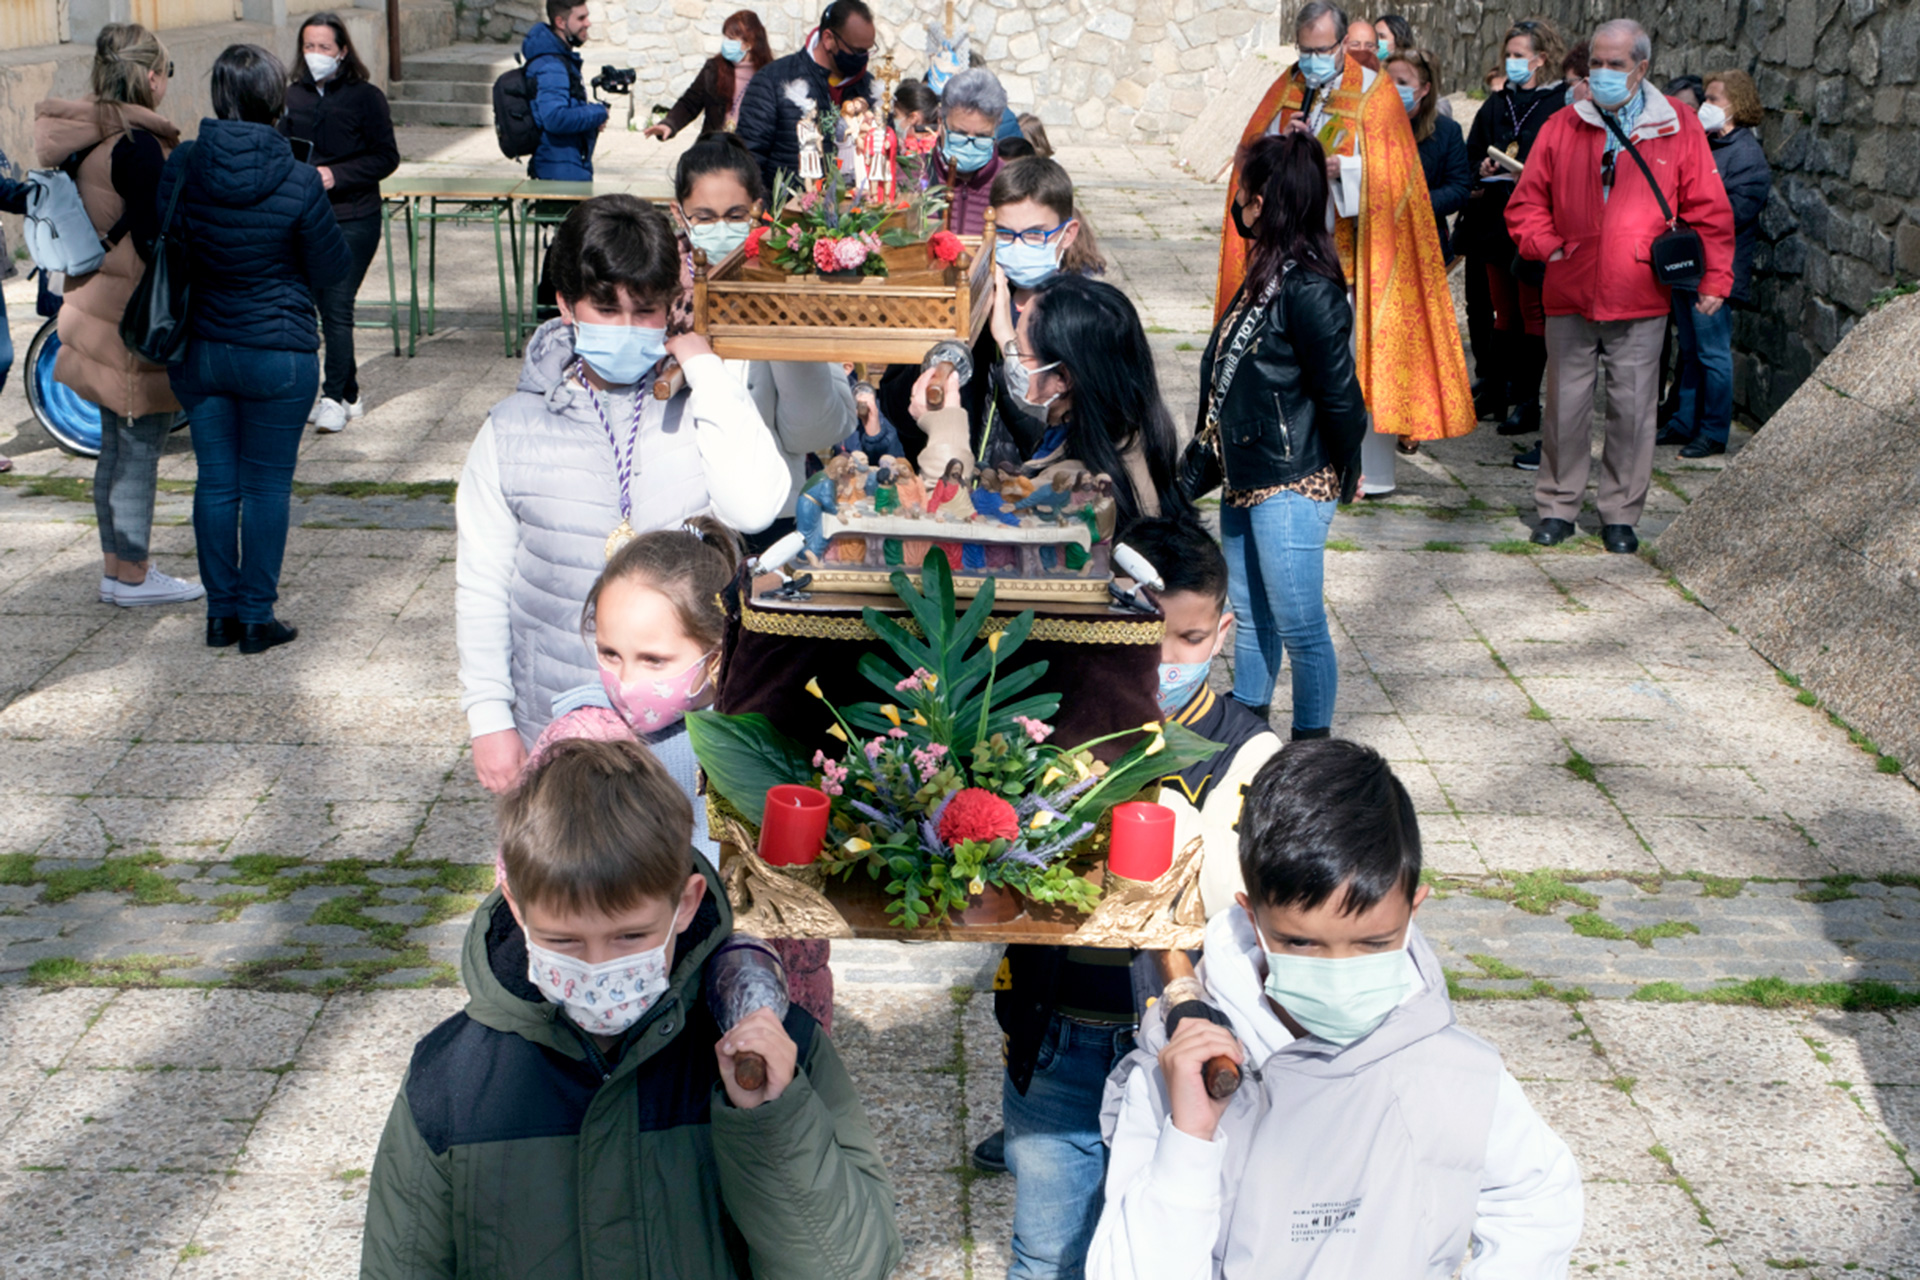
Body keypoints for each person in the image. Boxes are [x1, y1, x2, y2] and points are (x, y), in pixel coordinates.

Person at [360, 736, 902, 1280]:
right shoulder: (452, 1080)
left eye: (630, 937)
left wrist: (772, 1124)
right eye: (565, 942)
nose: (597, 966)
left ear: (685, 904)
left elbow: (850, 1269)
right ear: (518, 912)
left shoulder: (779, 1048)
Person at [1086, 739, 1584, 1280]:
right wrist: (1190, 1141)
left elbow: (1536, 1196)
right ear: (1252, 916)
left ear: (1413, 908)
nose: (1339, 968)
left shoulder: (1457, 1070)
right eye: (1302, 944)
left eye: (1373, 943)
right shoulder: (1180, 1075)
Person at [979, 515, 1281, 1280]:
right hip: (1059, 1033)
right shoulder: (1043, 727)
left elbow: (1226, 896)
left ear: (1221, 631)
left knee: (1167, 1246)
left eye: (1187, 637)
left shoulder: (1248, 751)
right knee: (1047, 1249)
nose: (1164, 657)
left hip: (1177, 1048)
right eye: (1144, 633)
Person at [458, 194, 791, 789]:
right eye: (606, 310)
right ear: (565, 305)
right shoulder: (511, 430)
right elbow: (482, 583)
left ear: (672, 309)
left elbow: (755, 506)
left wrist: (707, 369)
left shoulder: (703, 409)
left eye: (646, 312)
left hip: (685, 728)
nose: (627, 328)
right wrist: (489, 718)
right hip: (554, 721)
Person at [525, 518, 839, 1032]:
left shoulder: (763, 738)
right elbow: (529, 866)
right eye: (609, 653)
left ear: (720, 648)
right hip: (629, 994)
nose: (626, 681)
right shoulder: (577, 741)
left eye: (654, 660)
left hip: (763, 978)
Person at [1216, 1, 1474, 501]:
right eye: (1305, 50)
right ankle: (1297, 457)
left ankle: (1367, 473)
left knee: (1353, 365)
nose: (1312, 60)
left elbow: (1397, 182)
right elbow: (1252, 161)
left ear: (1342, 45)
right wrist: (1285, 150)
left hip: (1353, 259)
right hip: (1288, 251)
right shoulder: (1287, 87)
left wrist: (1345, 171)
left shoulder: (1376, 96)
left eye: (1323, 50)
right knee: (1290, 361)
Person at [1505, 19, 1735, 555]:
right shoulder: (1563, 126)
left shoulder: (1676, 125)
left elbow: (1709, 209)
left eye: (1615, 64)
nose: (1603, 74)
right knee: (1565, 408)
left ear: (1642, 68)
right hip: (1570, 288)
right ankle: (1558, 506)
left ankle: (1620, 513)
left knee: (1634, 411)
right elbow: (1526, 203)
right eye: (1596, 65)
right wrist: (1549, 245)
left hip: (1640, 292)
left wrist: (1717, 277)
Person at [160, 44, 350, 653]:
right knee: (266, 487)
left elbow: (155, 238)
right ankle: (255, 617)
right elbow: (331, 267)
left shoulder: (185, 163)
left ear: (219, 96)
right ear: (275, 99)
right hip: (279, 350)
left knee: (216, 482)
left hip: (204, 345)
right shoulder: (297, 177)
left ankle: (220, 614)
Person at [1204, 132, 1367, 736]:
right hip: (1247, 471)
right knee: (1249, 616)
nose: (1239, 207)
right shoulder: (1264, 274)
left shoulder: (1310, 289)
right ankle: (1250, 722)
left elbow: (1340, 395)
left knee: (1300, 626)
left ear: (1268, 201)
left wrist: (1347, 469)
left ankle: (1311, 744)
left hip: (1292, 477)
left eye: (1246, 196)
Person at [33, 24, 202, 608]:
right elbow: (163, 235)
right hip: (134, 318)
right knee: (138, 450)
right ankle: (133, 574)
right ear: (150, 76)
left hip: (91, 310)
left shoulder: (84, 138)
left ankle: (116, 569)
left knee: (114, 446)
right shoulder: (137, 146)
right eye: (166, 73)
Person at [672, 135, 855, 552]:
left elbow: (816, 430)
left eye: (735, 214)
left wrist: (781, 323)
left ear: (758, 210)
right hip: (685, 515)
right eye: (704, 217)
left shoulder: (790, 286)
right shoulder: (657, 300)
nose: (721, 229)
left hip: (775, 513)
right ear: (678, 215)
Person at [280, 12, 398, 436]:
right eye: (308, 47)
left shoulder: (366, 97)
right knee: (317, 304)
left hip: (355, 217)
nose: (315, 55)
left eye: (324, 47)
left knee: (337, 304)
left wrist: (336, 175)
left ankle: (330, 397)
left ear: (342, 51)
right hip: (309, 218)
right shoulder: (292, 96)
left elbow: (386, 156)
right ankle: (349, 393)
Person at [1003, 275, 1189, 533]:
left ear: (1063, 378)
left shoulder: (1069, 488)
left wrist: (945, 426)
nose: (1010, 358)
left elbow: (961, 531)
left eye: (1019, 350)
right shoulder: (1133, 429)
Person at [1464, 19, 1568, 442]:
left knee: (1531, 313)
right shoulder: (1496, 103)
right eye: (1509, 55)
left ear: (1541, 60)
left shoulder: (1557, 104)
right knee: (1500, 312)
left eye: (1520, 55)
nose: (1512, 63)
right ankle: (1497, 388)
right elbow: (1471, 156)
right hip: (1494, 221)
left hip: (1532, 224)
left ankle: (1528, 399)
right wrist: (1483, 168)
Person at [1658, 69, 1769, 458]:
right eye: (1705, 98)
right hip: (1688, 268)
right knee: (1689, 350)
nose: (1706, 106)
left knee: (1713, 354)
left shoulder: (1747, 157)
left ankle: (1713, 431)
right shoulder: (1705, 144)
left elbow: (1731, 214)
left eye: (1715, 100)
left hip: (1716, 271)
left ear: (1737, 106)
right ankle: (1685, 422)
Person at [736, 0, 876, 190]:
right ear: (828, 39)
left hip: (860, 214)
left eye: (868, 50)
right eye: (857, 51)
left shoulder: (869, 87)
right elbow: (748, 161)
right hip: (790, 214)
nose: (863, 58)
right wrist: (773, 213)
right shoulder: (773, 81)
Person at [646, 9, 773, 141]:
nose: (726, 43)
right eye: (726, 37)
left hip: (752, 152)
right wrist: (669, 124)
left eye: (732, 39)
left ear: (749, 43)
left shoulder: (770, 75)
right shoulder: (713, 69)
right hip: (713, 149)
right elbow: (689, 102)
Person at [523, 0, 609, 181]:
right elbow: (554, 118)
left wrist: (591, 120)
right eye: (581, 18)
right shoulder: (552, 66)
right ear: (561, 22)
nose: (588, 23)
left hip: (565, 166)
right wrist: (598, 112)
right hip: (559, 173)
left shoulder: (558, 60)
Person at [935, 68, 1008, 235]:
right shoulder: (912, 176)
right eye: (959, 134)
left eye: (982, 137)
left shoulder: (1010, 185)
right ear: (941, 123)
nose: (970, 145)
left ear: (996, 130)